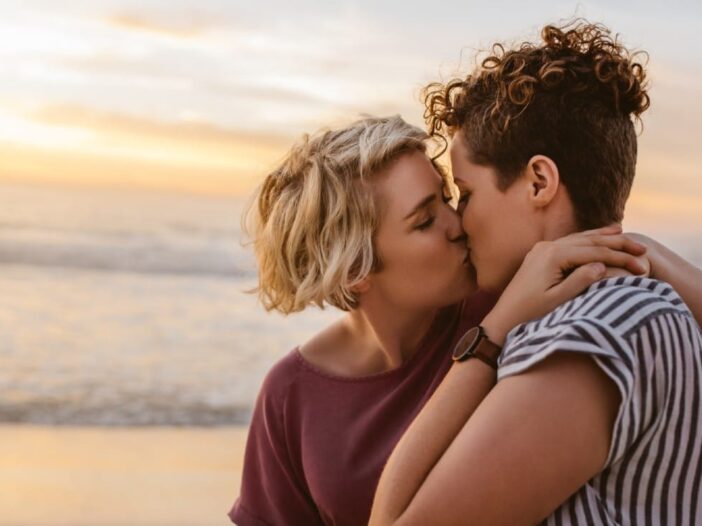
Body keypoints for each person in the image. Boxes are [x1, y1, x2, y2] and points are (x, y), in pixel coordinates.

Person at [229, 118, 700, 524]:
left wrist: (639, 248)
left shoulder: (522, 302)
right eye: (424, 221)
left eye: (449, 197)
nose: (458, 224)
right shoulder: (291, 396)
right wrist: (491, 334)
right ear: (355, 270)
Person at [369, 21, 702, 526]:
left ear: (539, 181)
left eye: (466, 193)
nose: (458, 221)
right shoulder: (640, 306)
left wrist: (491, 333)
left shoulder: (592, 330)